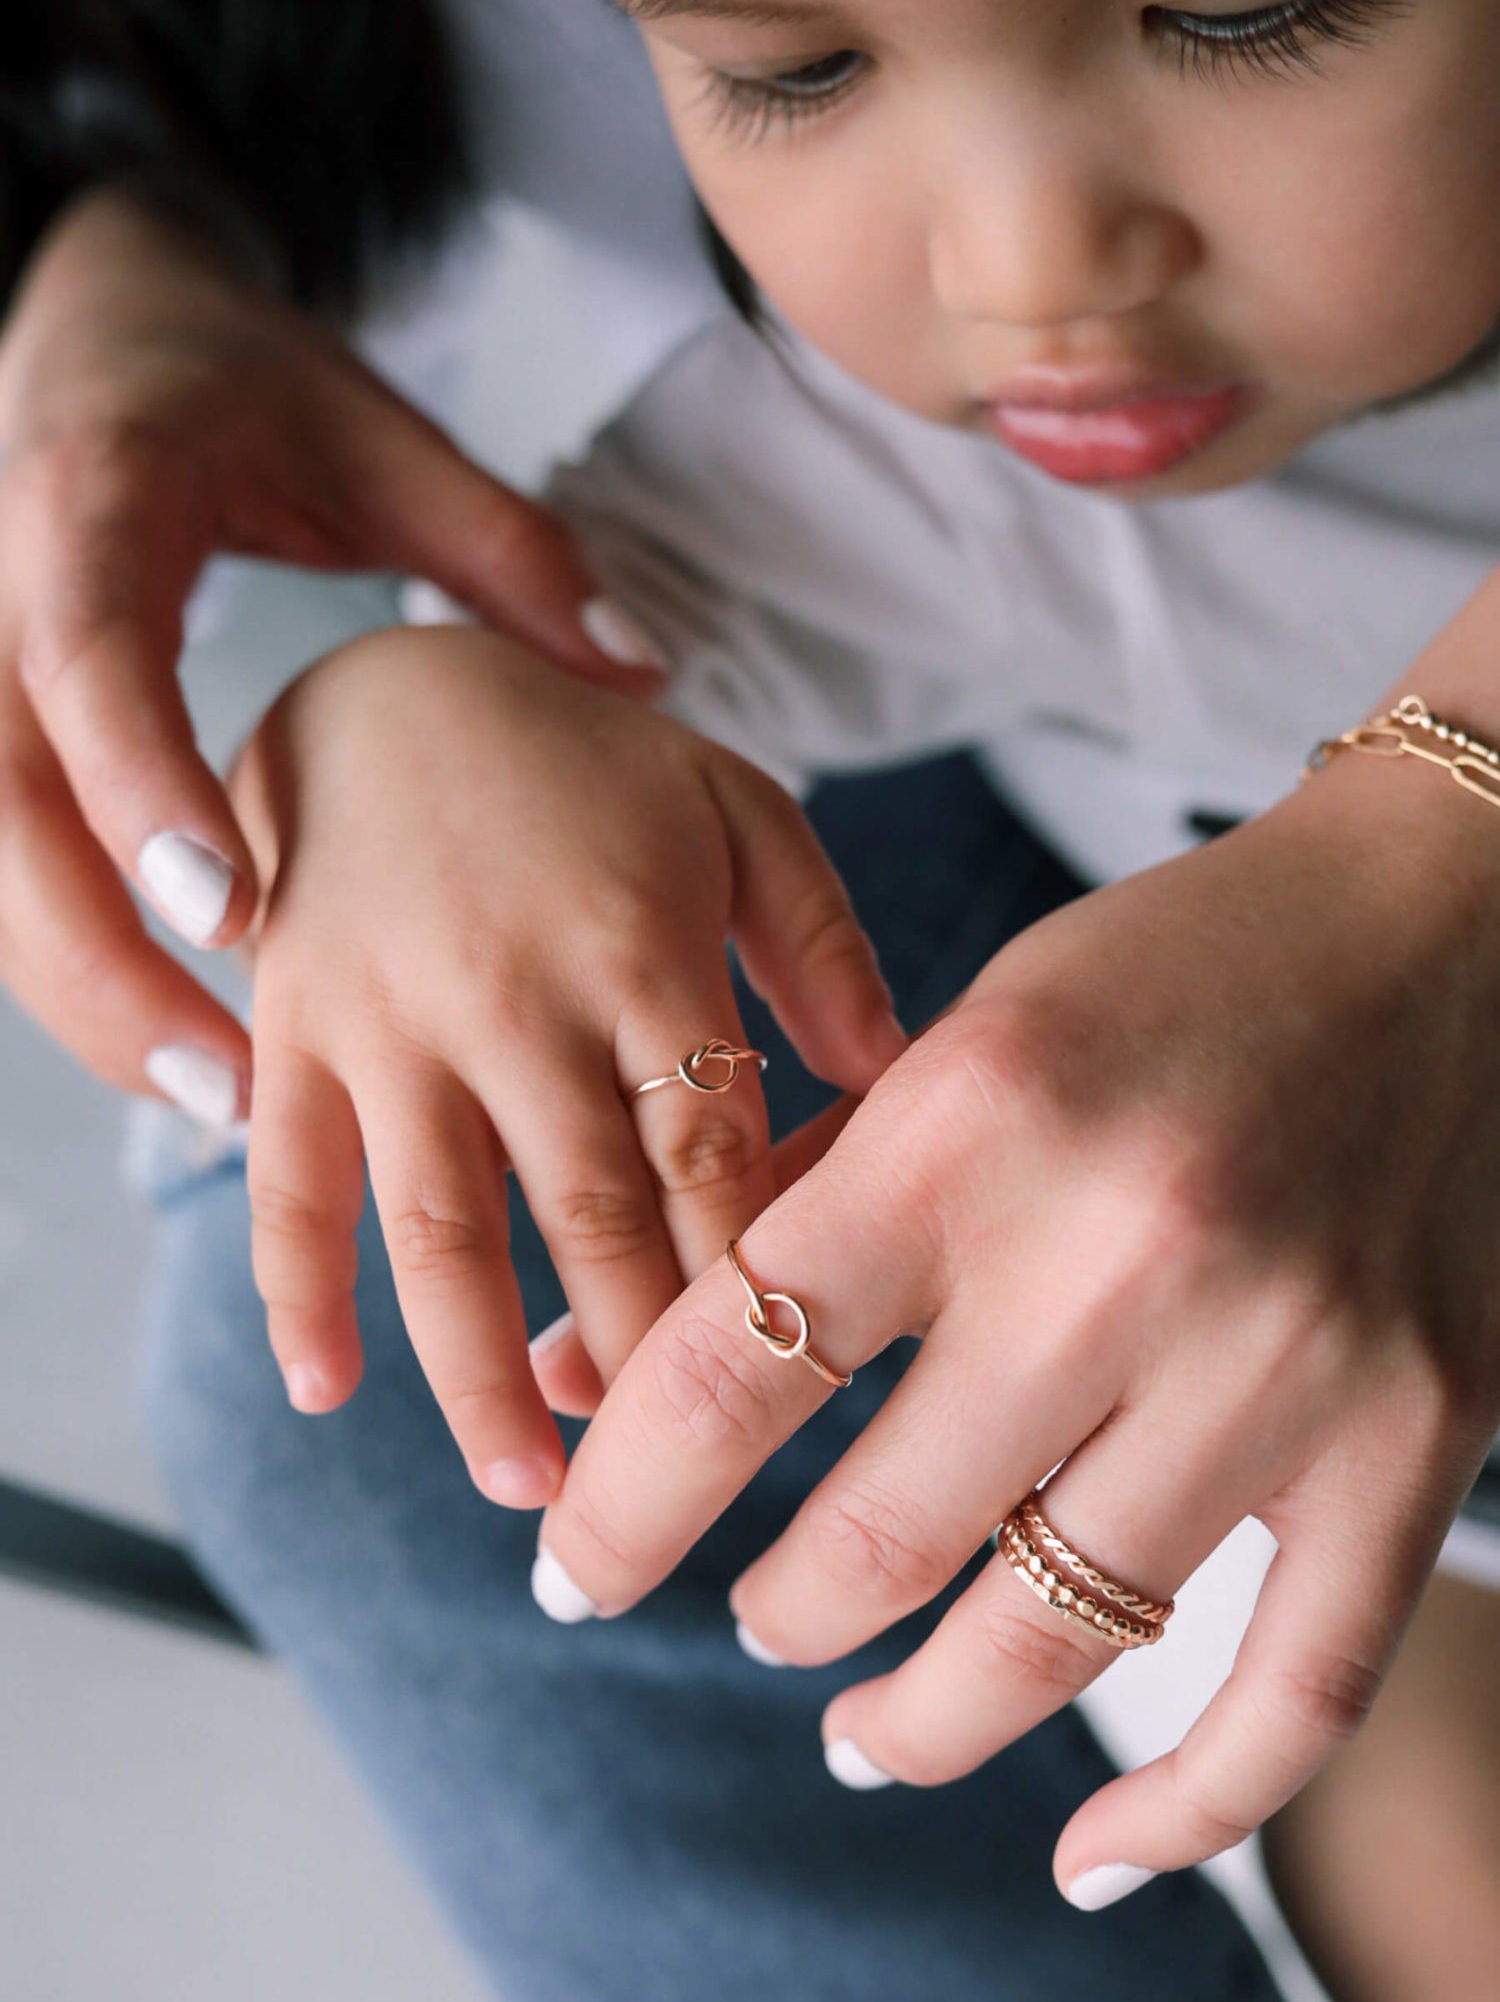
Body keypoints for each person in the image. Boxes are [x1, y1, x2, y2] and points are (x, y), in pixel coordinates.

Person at [3, 4, 1497, 2001]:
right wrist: (404, 714)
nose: (1026, 265)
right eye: (791, 69)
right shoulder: (906, 464)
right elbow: (596, 648)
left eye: (1244, 11)